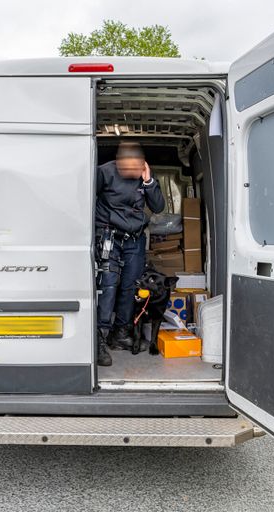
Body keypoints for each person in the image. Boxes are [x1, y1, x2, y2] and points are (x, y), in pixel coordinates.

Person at [95, 142, 165, 366]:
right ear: (119, 162)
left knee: (131, 286)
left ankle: (121, 334)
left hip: (134, 239)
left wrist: (148, 181)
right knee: (108, 284)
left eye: (137, 168)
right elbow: (85, 201)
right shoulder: (103, 173)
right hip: (109, 236)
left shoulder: (144, 178)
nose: (133, 172)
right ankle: (99, 338)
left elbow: (159, 207)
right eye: (129, 168)